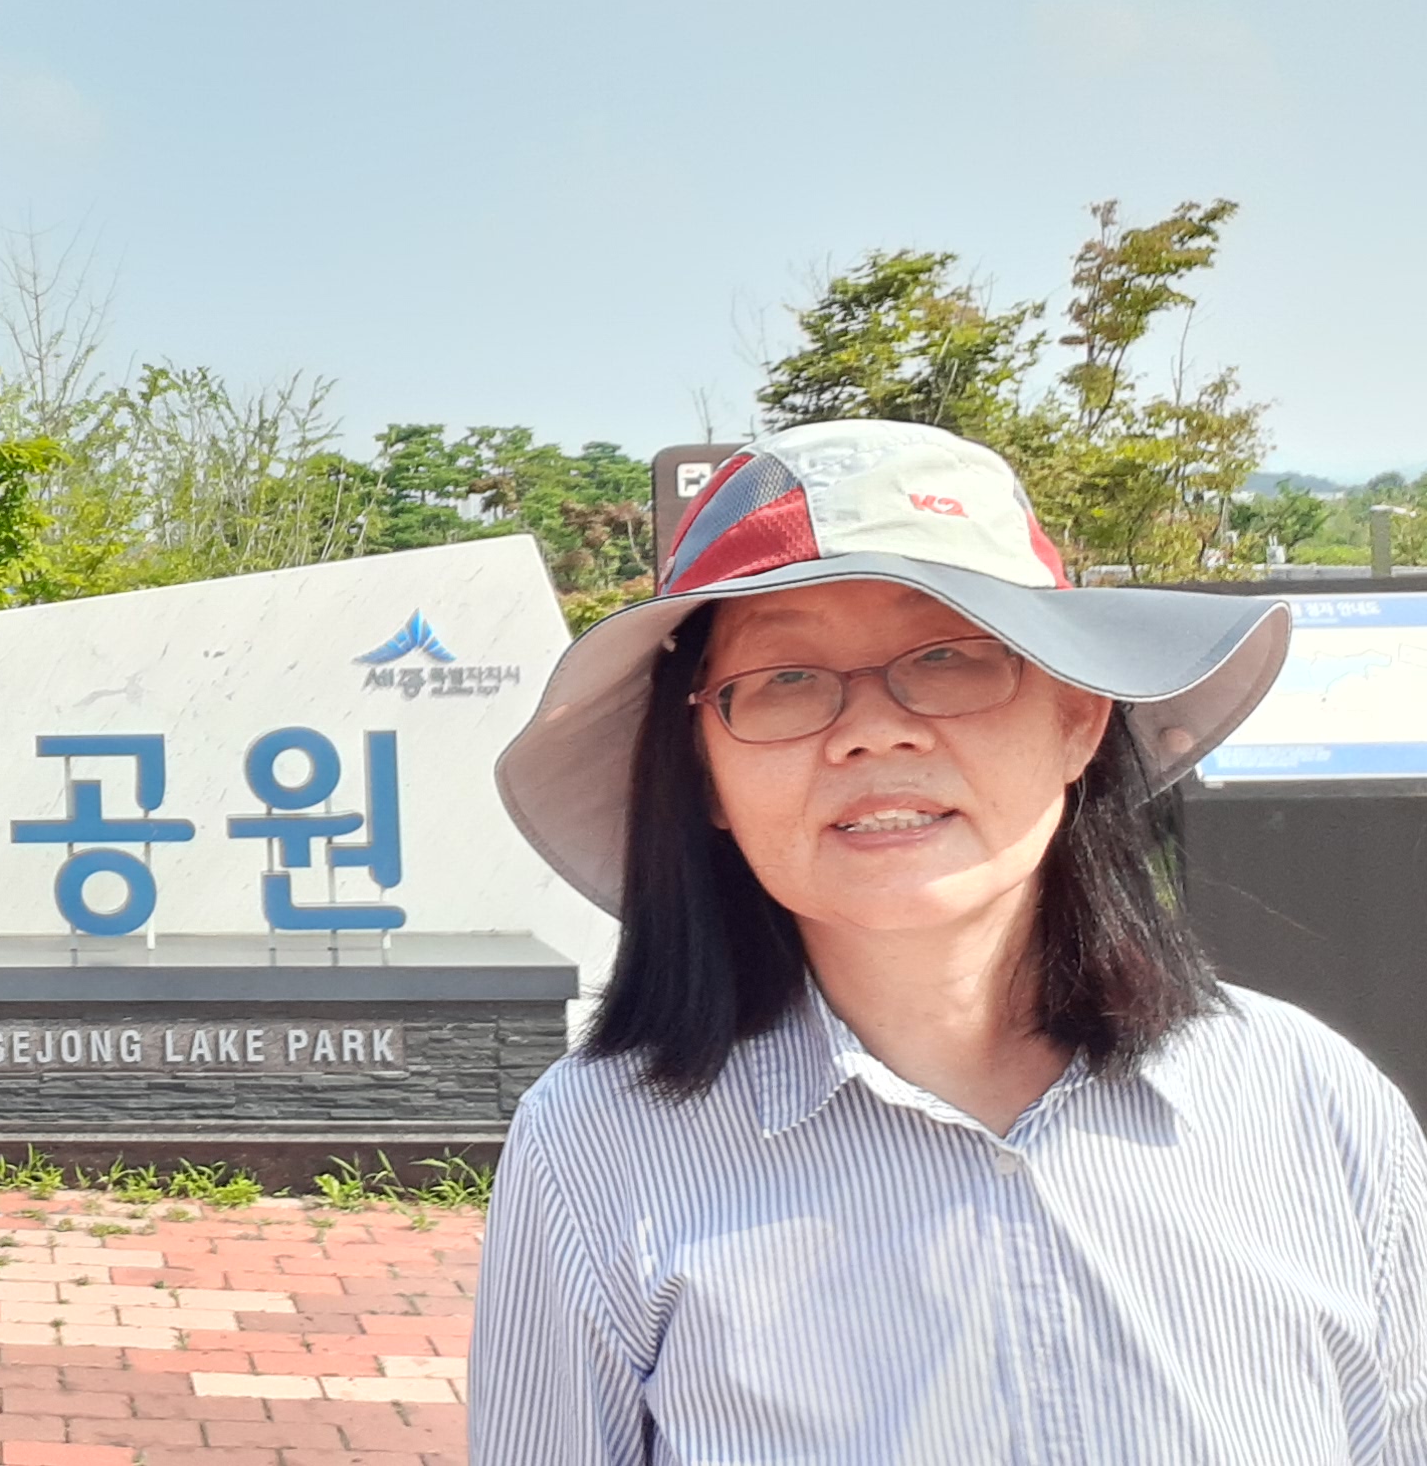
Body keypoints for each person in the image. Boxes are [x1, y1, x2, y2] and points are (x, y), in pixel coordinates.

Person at [473, 418, 1427, 1462]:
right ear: (704, 771)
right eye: (786, 677)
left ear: (1078, 718)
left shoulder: (1313, 1105)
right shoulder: (598, 1149)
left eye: (950, 656)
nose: (873, 731)